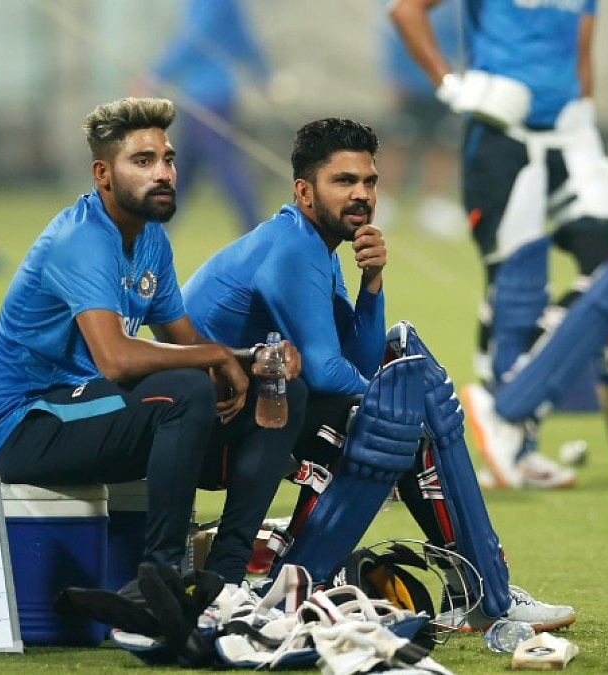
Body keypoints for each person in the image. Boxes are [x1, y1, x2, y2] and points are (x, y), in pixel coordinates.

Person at [182, 118, 575, 632]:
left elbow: (360, 361)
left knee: (401, 364)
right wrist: (394, 411)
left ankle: (479, 588)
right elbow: (325, 372)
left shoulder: (315, 247)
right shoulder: (293, 248)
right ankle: (297, 588)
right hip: (207, 432)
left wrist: (372, 283)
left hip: (255, 415)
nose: (361, 195)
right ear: (304, 191)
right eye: (343, 181)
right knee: (389, 421)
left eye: (369, 181)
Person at [0, 97, 307, 587]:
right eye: (143, 161)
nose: (164, 173)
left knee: (281, 389)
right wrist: (215, 357)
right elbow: (116, 359)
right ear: (102, 174)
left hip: (95, 410)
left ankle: (227, 573)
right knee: (184, 392)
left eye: (169, 160)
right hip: (29, 425)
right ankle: (159, 577)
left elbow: (185, 341)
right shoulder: (81, 240)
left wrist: (251, 358)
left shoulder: (151, 239)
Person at [389, 0, 608, 489]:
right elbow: (406, 11)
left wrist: (584, 113)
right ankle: (517, 443)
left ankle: (505, 410)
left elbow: (580, 50)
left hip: (569, 133)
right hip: (502, 134)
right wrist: (451, 84)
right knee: (514, 286)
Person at [141, 0, 271, 234]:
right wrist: (263, 74)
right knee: (182, 173)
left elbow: (194, 39)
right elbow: (243, 38)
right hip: (206, 97)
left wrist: (155, 74)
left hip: (209, 97)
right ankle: (147, 236)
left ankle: (260, 236)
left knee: (225, 169)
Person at [375, 0, 464, 238]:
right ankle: (382, 199)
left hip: (446, 80)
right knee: (399, 140)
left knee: (444, 142)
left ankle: (433, 203)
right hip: (410, 82)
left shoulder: (455, 7)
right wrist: (394, 76)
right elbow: (392, 35)